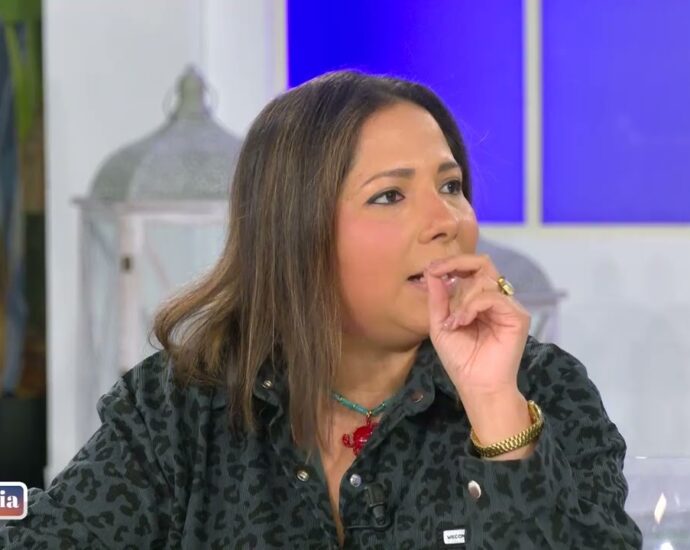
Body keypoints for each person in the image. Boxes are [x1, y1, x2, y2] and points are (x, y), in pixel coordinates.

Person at [0, 70, 642, 549]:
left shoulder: (544, 390)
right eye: (390, 196)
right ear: (297, 234)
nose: (447, 220)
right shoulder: (177, 409)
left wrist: (494, 408)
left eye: (451, 186)